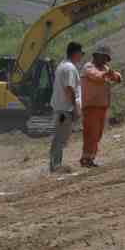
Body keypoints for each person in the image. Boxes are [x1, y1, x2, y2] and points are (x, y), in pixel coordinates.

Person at [79, 46, 124, 168]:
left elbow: (116, 77)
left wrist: (115, 75)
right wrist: (108, 74)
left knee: (97, 134)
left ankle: (90, 157)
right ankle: (86, 158)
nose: (105, 61)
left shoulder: (104, 68)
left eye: (106, 58)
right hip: (91, 106)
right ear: (96, 56)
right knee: (91, 133)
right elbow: (97, 76)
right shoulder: (88, 67)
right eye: (103, 58)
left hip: (102, 105)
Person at [48, 42, 86, 174]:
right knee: (60, 138)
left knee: (59, 138)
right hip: (65, 110)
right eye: (82, 53)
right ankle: (56, 166)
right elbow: (69, 88)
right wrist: (75, 108)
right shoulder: (70, 68)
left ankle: (54, 164)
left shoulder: (62, 65)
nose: (82, 56)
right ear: (76, 53)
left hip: (60, 108)